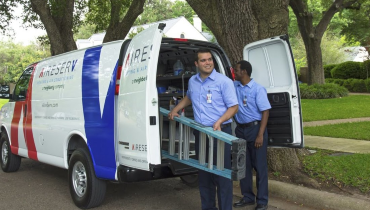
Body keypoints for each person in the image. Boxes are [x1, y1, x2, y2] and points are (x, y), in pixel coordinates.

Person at [168, 48, 238, 210]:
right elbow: (189, 97)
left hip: (220, 133)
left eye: (210, 59)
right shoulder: (193, 81)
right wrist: (175, 109)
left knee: (221, 174)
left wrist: (220, 121)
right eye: (203, 60)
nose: (208, 63)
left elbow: (234, 107)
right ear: (196, 64)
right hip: (201, 133)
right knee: (204, 174)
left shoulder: (223, 82)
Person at [232, 60, 271, 210]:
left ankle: (262, 201)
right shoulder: (234, 86)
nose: (234, 73)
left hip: (255, 130)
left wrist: (260, 135)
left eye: (236, 70)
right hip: (240, 130)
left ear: (244, 72)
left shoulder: (257, 89)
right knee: (243, 166)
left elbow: (265, 112)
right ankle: (248, 197)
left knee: (260, 167)